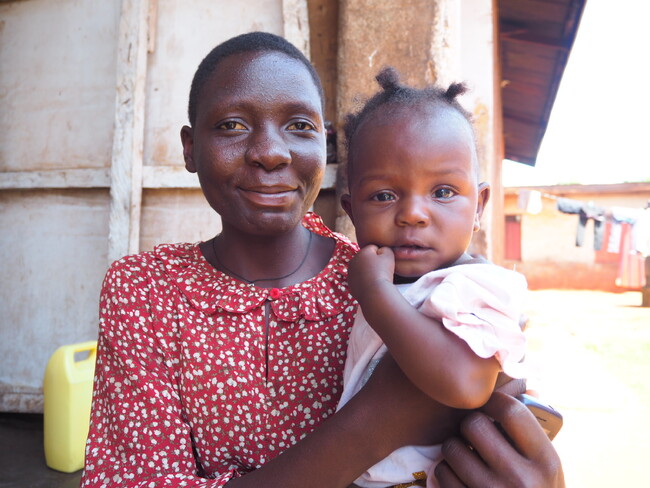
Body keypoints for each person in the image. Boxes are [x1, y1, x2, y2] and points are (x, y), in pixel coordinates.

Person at [80, 32, 565, 488]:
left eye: (300, 126)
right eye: (232, 125)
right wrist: (379, 421)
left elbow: (500, 417)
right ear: (190, 149)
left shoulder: (407, 281)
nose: (270, 153)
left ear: (324, 146)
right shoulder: (145, 291)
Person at [337, 68, 529, 487]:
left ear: (479, 206)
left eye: (443, 192)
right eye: (384, 195)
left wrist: (374, 293)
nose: (412, 214)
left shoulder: (478, 285)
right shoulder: (391, 281)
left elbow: (466, 385)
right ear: (352, 213)